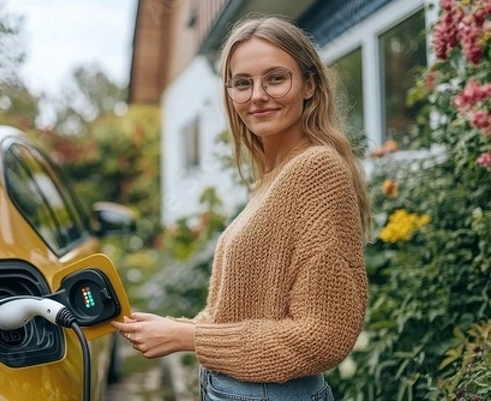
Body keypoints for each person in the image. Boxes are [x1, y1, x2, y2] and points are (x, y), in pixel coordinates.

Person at [112, 14, 370, 401]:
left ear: (309, 85)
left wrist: (188, 336)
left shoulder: (316, 169)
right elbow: (247, 310)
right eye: (242, 83)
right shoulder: (273, 176)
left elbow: (324, 334)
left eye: (276, 78)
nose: (257, 96)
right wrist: (175, 327)